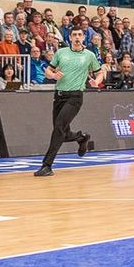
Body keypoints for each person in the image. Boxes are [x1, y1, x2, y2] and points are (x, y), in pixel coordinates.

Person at [33, 28, 103, 177]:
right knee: (62, 134)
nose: (77, 37)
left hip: (75, 97)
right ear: (70, 38)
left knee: (59, 128)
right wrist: (53, 75)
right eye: (74, 35)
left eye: (80, 35)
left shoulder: (89, 55)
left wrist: (97, 81)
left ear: (83, 37)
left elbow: (99, 72)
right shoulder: (61, 53)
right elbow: (48, 71)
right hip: (59, 96)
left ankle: (47, 165)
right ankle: (81, 137)